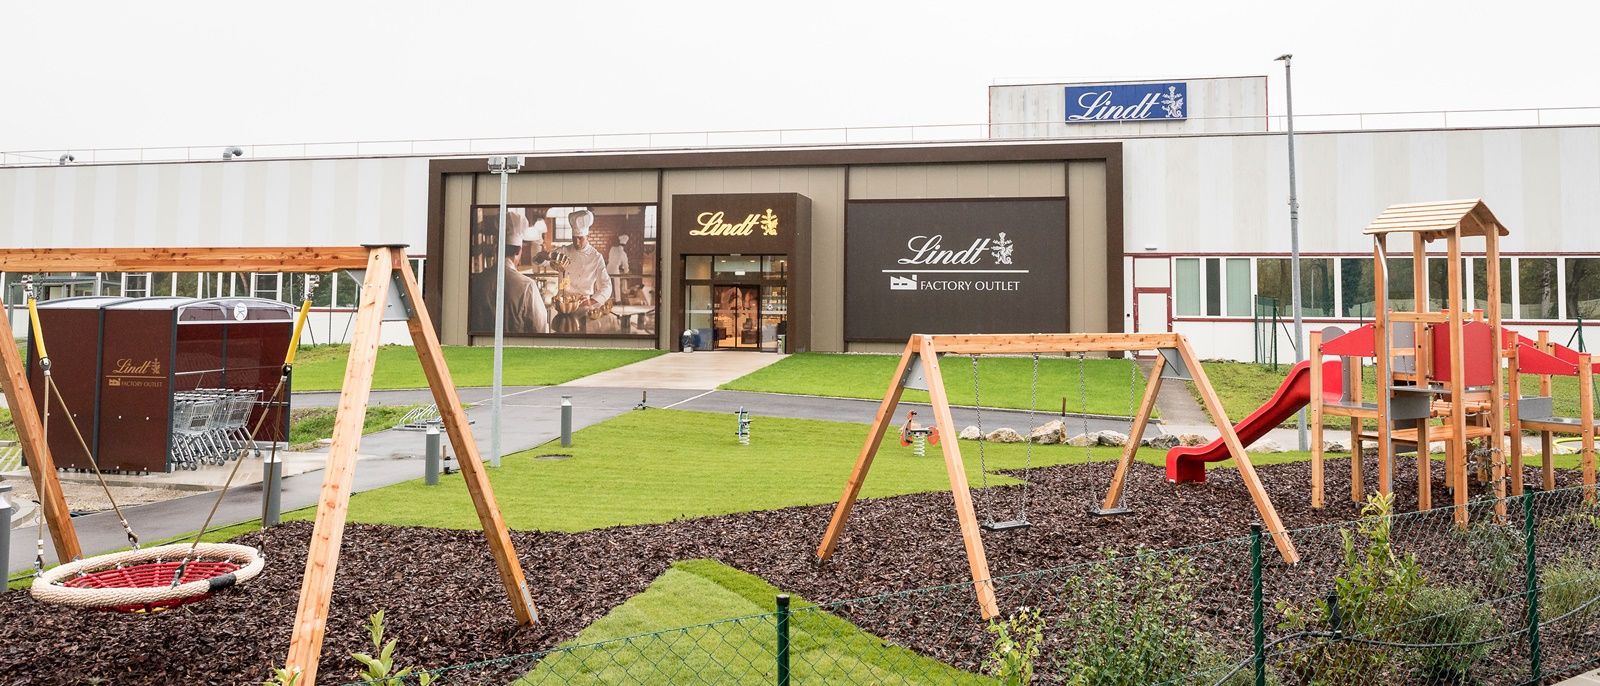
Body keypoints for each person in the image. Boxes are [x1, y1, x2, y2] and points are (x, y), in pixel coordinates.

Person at [468, 210, 550, 334]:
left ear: (497, 249)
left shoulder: (478, 280)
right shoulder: (527, 286)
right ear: (519, 251)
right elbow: (541, 328)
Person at [551, 209, 617, 332]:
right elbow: (542, 259)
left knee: (580, 336)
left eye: (580, 238)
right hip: (562, 304)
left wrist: (591, 301)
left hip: (583, 307)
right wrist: (543, 256)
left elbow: (607, 286)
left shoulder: (596, 257)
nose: (576, 242)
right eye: (574, 238)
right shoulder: (564, 251)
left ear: (588, 236)